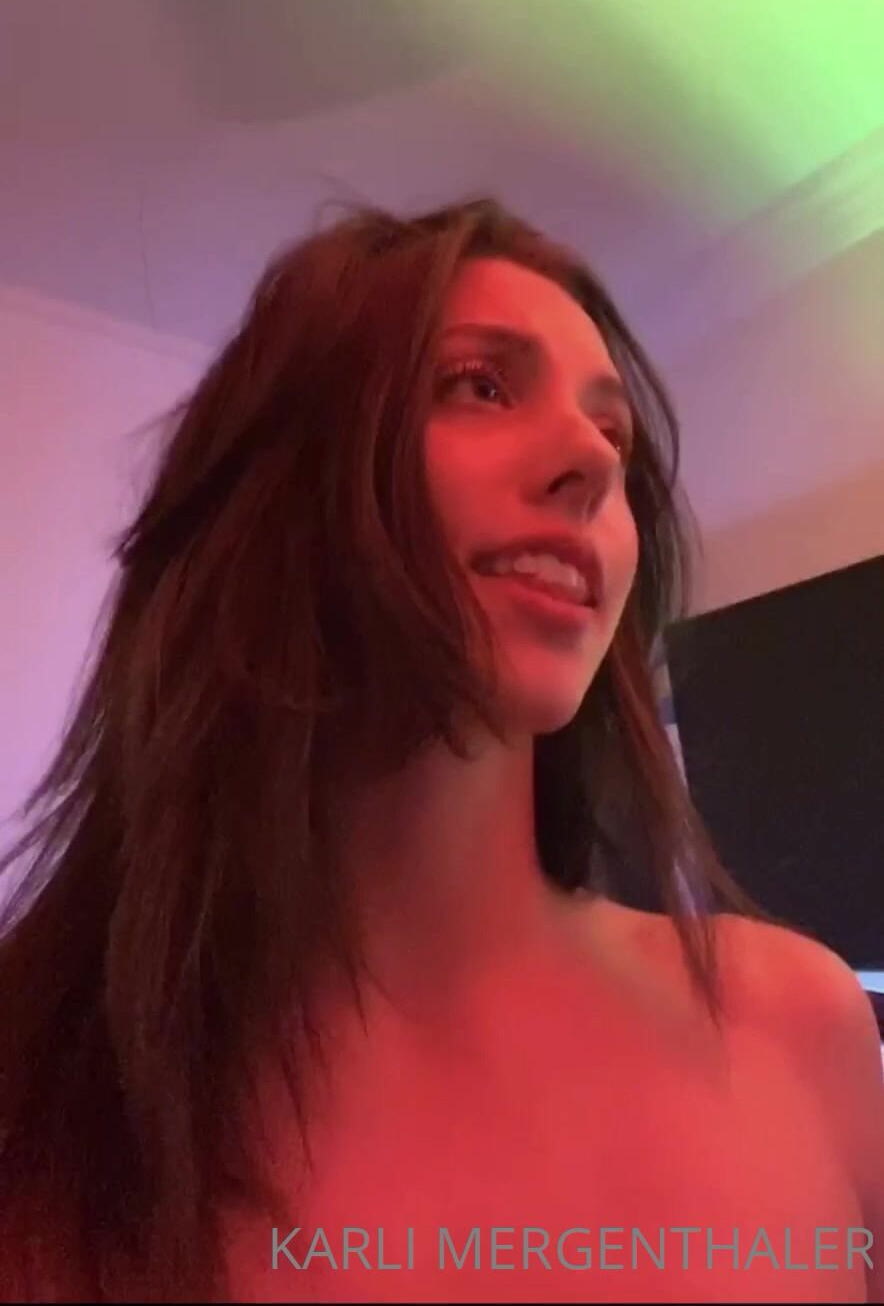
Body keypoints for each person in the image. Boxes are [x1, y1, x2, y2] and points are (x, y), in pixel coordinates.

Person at [0, 199, 880, 1303]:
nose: (591, 461)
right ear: (277, 488)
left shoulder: (801, 1024)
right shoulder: (42, 1103)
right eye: (479, 385)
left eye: (614, 436)